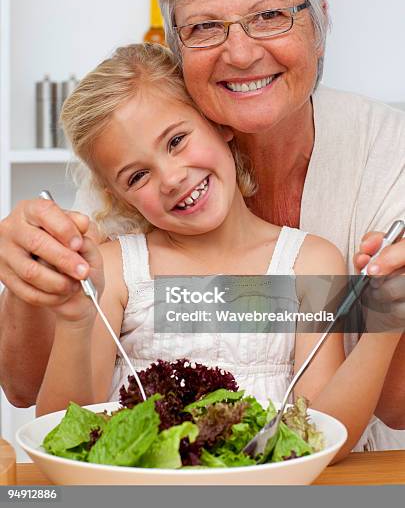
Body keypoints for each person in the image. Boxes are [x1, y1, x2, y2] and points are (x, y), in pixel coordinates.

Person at [0, 0, 405, 449]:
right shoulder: (118, 263)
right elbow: (54, 424)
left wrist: (385, 315)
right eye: (206, 26)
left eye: (269, 15)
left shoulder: (316, 253)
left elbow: (323, 432)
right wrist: (52, 301)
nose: (240, 53)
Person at [34, 42, 400, 465]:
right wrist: (75, 321)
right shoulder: (115, 271)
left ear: (218, 124)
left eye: (176, 141)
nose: (171, 178)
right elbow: (63, 435)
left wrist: (385, 323)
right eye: (137, 176)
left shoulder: (310, 261)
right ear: (119, 197)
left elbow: (320, 436)